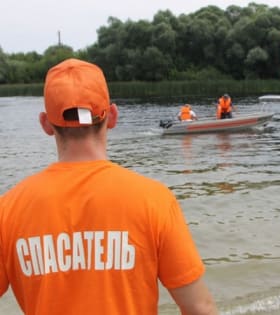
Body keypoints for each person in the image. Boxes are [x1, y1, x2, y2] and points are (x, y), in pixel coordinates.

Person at [0, 58, 218, 315]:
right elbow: (199, 308)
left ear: (46, 124)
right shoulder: (153, 200)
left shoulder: (8, 209)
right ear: (112, 116)